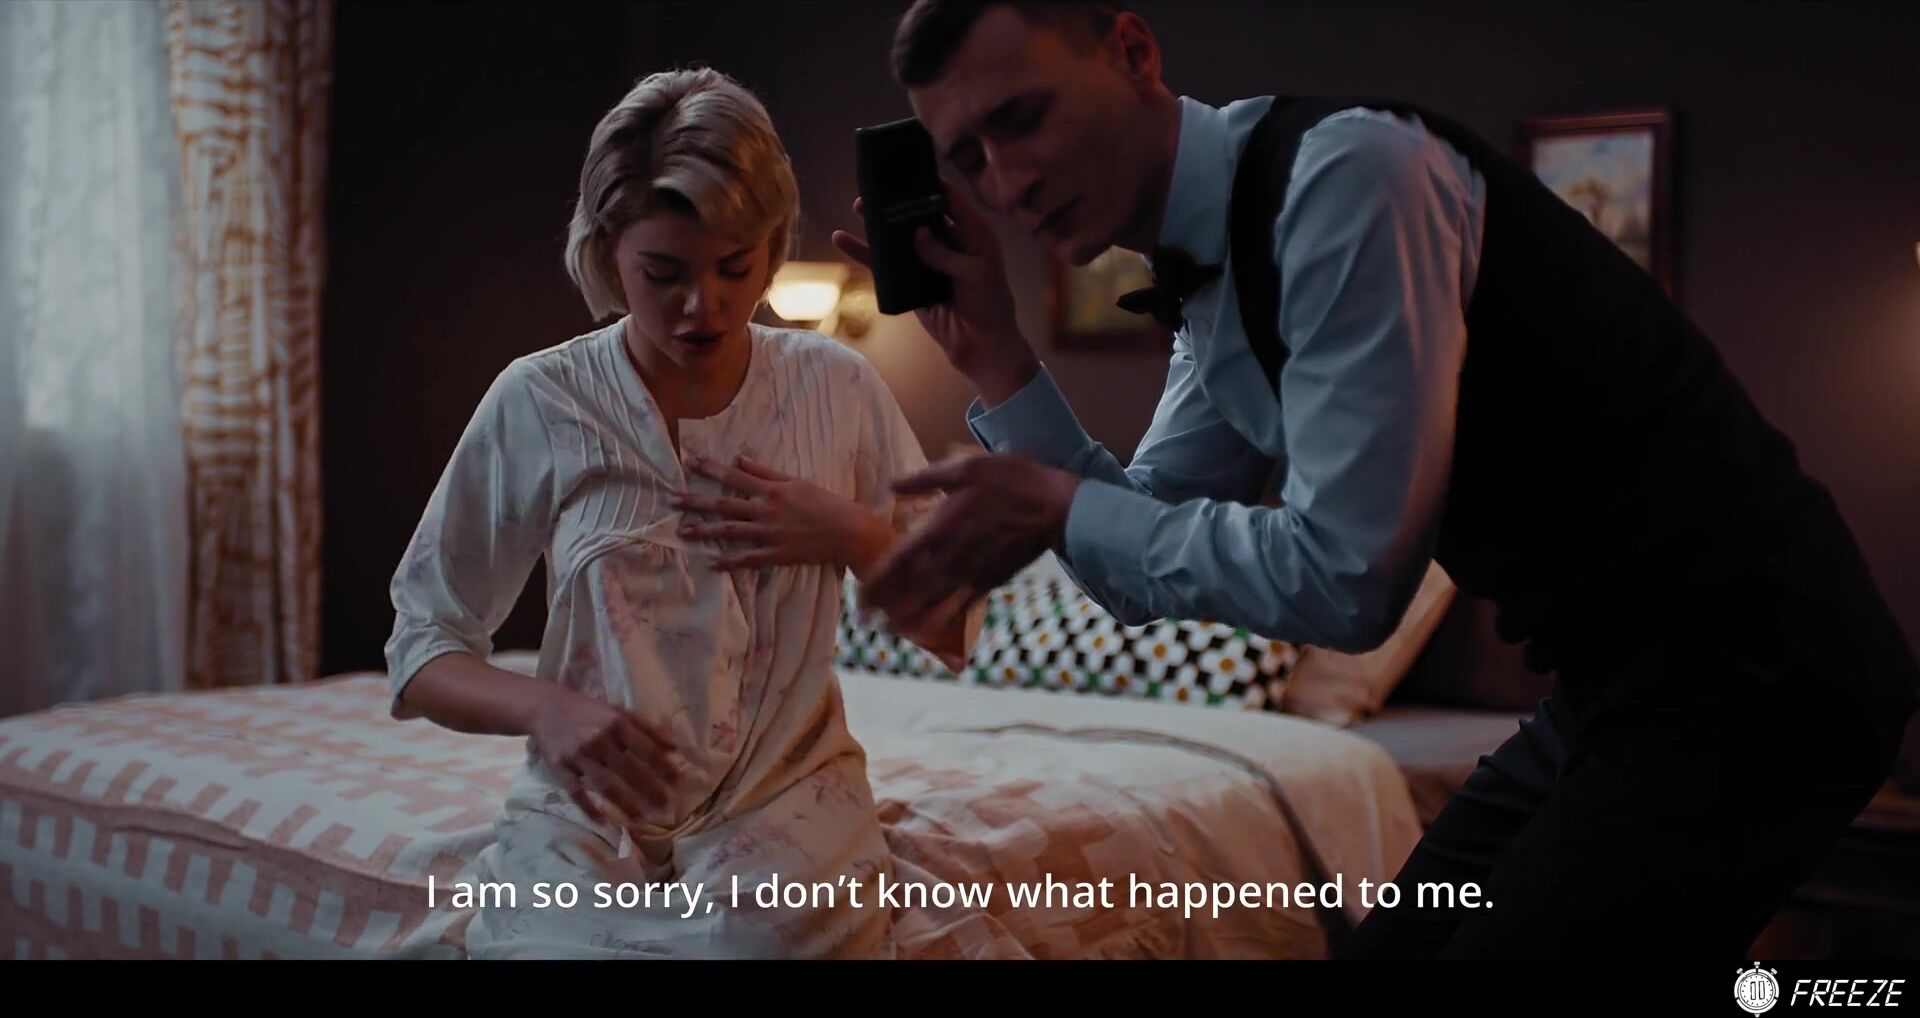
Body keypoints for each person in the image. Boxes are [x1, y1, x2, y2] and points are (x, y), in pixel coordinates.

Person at [834, 1, 1920, 958]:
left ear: (1132, 51)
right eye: (967, 158)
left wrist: (1060, 505)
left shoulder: (1348, 178)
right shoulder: (1212, 270)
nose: (1006, 181)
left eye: (1021, 118)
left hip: (1761, 669)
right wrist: (997, 357)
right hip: (1613, 687)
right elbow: (1130, 560)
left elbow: (1351, 578)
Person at [383, 66, 978, 959]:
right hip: (587, 805)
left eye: (736, 267)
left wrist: (850, 533)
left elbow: (953, 630)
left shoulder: (838, 388)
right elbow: (421, 649)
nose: (706, 305)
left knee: (751, 946)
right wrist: (546, 708)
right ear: (607, 253)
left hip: (785, 793)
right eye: (663, 273)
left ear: (771, 246)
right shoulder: (542, 400)